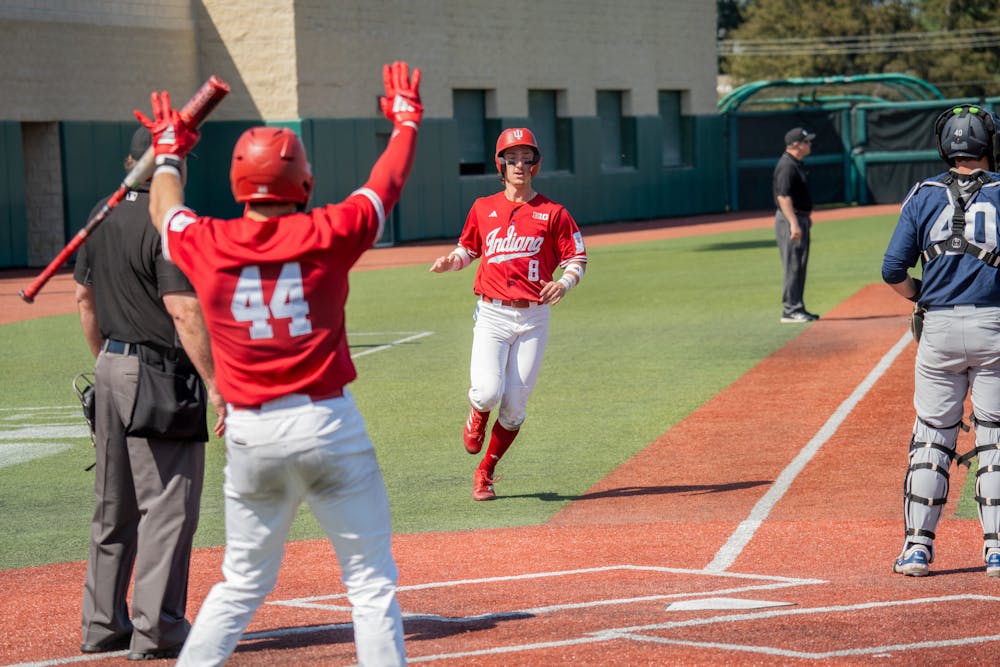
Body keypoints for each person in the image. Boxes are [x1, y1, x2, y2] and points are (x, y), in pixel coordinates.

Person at [137, 61, 421, 666]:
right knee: (370, 586)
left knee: (240, 585)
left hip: (251, 432)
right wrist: (405, 121)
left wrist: (168, 153)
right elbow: (385, 184)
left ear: (241, 184)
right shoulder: (329, 230)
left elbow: (166, 209)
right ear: (303, 184)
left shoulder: (206, 241)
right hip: (326, 424)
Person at [73, 127, 225, 660]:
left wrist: (107, 364)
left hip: (110, 364)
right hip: (159, 374)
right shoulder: (169, 225)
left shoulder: (102, 211)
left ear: (128, 160)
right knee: (168, 505)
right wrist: (214, 383)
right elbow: (183, 309)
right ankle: (157, 628)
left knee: (113, 506)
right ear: (173, 165)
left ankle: (101, 625)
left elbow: (84, 300)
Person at [429, 128, 587, 501]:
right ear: (500, 164)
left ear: (536, 164)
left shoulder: (553, 213)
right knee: (487, 393)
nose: (520, 165)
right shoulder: (483, 207)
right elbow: (468, 249)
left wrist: (564, 283)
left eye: (526, 157)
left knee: (514, 408)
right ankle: (477, 412)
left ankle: (485, 472)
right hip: (493, 315)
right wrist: (453, 261)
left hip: (534, 318)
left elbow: (576, 258)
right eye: (512, 158)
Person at [882, 104, 1000, 578]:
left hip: (940, 329)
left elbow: (892, 270)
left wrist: (920, 299)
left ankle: (917, 549)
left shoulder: (923, 194)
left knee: (932, 434)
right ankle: (995, 551)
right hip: (996, 324)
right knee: (994, 439)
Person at [774, 126, 819, 323]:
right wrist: (794, 223)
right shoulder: (787, 165)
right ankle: (790, 309)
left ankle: (797, 307)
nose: (810, 144)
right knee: (793, 265)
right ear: (795, 145)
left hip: (798, 217)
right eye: (806, 141)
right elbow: (783, 197)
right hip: (789, 219)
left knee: (799, 265)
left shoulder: (795, 163)